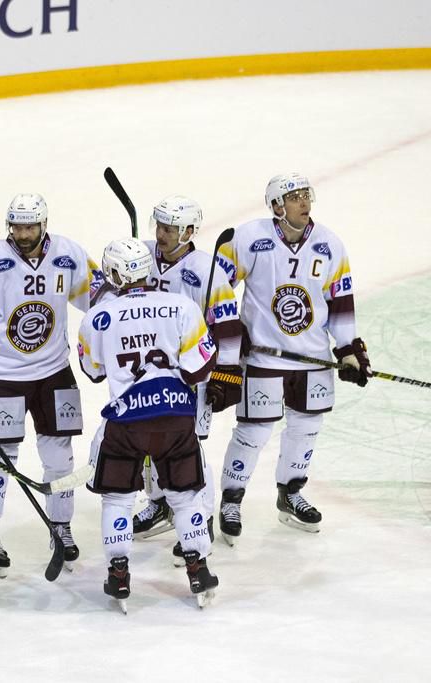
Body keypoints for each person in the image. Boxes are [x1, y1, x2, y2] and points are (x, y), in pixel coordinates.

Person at [214, 173, 371, 545]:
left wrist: (348, 350)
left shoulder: (330, 245)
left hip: (313, 358)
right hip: (264, 359)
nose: (304, 202)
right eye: (294, 196)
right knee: (254, 432)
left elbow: (341, 302)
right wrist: (231, 338)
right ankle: (231, 498)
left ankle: (291, 492)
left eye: (306, 195)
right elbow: (216, 293)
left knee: (306, 429)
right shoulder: (248, 238)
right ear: (276, 206)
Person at [0, 193, 101, 577]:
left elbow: (99, 297)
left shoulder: (68, 255)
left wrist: (129, 296)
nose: (22, 233)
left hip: (54, 372)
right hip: (3, 377)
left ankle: (61, 527)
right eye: (16, 227)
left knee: (60, 457)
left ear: (44, 224)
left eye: (30, 227)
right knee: (0, 459)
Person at [78, 237, 220, 609]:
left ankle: (119, 574)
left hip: (127, 422)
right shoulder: (180, 305)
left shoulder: (98, 316)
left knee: (118, 499)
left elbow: (92, 371)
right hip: (176, 418)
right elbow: (201, 367)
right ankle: (197, 567)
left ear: (113, 274)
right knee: (186, 496)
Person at [124, 196, 244, 564]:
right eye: (158, 226)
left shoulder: (207, 270)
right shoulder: (140, 256)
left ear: (190, 232)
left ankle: (201, 517)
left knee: (187, 447)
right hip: (145, 374)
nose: (160, 234)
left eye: (170, 229)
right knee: (151, 445)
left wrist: (227, 372)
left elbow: (227, 326)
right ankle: (160, 504)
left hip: (190, 376)